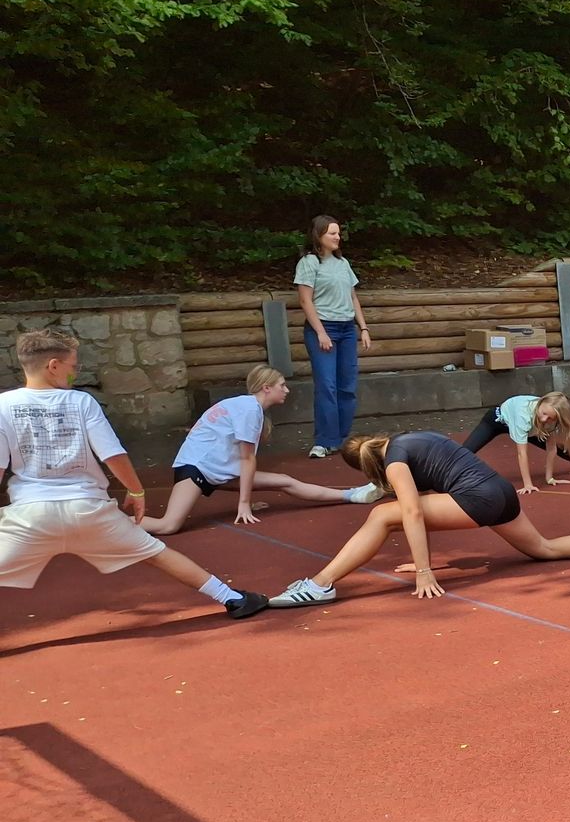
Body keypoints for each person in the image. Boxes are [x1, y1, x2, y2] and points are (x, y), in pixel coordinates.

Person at [0, 329, 267, 617]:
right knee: (156, 554)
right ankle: (232, 599)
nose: (75, 373)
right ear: (53, 365)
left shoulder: (4, 405)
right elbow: (113, 454)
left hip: (31, 514)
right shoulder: (80, 401)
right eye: (73, 367)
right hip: (88, 510)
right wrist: (136, 491)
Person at [267, 431, 570, 606]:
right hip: (499, 492)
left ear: (368, 465)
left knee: (383, 514)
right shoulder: (416, 438)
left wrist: (424, 570)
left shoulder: (394, 461)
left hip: (477, 498)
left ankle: (320, 584)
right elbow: (426, 507)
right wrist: (420, 557)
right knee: (544, 549)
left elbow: (413, 512)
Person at [140, 366, 381, 534]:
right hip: (195, 469)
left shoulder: (245, 407)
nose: (286, 390)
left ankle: (353, 495)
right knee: (168, 525)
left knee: (284, 480)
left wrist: (247, 500)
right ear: (266, 388)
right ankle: (116, 525)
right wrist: (244, 503)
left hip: (215, 468)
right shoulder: (249, 409)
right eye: (282, 386)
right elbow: (247, 459)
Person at [295, 215, 372, 459]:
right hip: (323, 327)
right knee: (327, 386)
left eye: (339, 233)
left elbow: (353, 298)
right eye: (332, 233)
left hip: (347, 329)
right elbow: (305, 300)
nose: (338, 237)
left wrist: (364, 328)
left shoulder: (343, 264)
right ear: (319, 236)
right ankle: (323, 440)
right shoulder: (309, 262)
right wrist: (320, 332)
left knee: (347, 386)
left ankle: (340, 439)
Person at [460, 391, 570, 494]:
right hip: (496, 420)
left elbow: (551, 447)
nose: (544, 419)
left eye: (550, 418)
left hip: (531, 427)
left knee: (562, 449)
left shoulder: (550, 419)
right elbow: (522, 453)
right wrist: (528, 485)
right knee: (463, 452)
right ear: (541, 402)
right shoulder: (523, 415)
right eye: (544, 414)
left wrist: (549, 478)